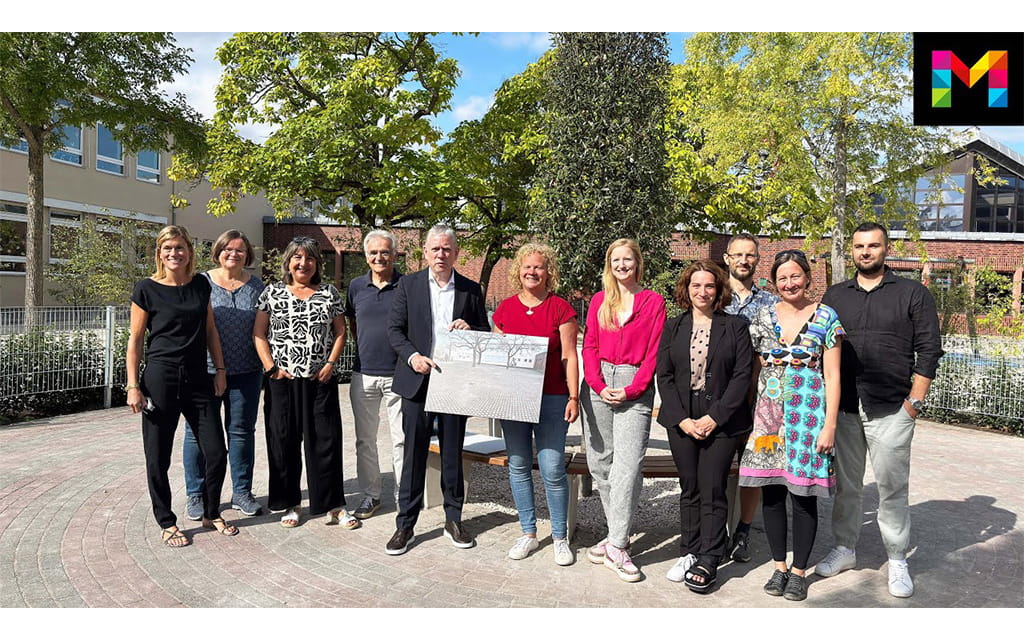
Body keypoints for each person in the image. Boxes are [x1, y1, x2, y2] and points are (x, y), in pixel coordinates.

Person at [816, 222, 943, 598]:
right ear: (851, 250)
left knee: (891, 488)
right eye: (859, 246)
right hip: (846, 409)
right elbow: (822, 348)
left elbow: (930, 351)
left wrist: (913, 403)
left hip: (892, 408)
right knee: (848, 486)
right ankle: (845, 548)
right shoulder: (835, 296)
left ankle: (898, 558)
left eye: (873, 245)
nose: (865, 252)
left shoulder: (913, 294)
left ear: (887, 249)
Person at [738, 249, 843, 601]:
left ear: (808, 278)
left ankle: (799, 572)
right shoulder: (762, 318)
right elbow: (753, 370)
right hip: (769, 419)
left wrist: (830, 425)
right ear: (774, 282)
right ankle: (779, 566)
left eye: (795, 276)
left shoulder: (826, 317)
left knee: (803, 495)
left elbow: (833, 374)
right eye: (782, 278)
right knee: (771, 492)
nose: (789, 283)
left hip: (809, 418)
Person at [126, 225, 236, 547]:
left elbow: (211, 330)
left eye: (180, 247)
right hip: (160, 379)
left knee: (216, 452)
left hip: (198, 378)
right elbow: (134, 341)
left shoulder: (201, 284)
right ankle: (166, 521)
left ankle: (210, 511)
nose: (174, 253)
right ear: (159, 253)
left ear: (189, 251)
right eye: (167, 248)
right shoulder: (146, 289)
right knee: (158, 457)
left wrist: (220, 369)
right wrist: (133, 386)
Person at [384, 225, 490, 555]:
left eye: (447, 249)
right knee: (413, 453)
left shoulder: (471, 290)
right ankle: (406, 524)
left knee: (452, 452)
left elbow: (485, 332)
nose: (441, 254)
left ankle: (453, 519)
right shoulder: (408, 285)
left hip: (453, 384)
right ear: (426, 253)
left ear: (456, 253)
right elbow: (394, 330)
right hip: (417, 379)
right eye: (435, 249)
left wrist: (470, 328)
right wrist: (412, 357)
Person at [656, 260, 753, 593]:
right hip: (681, 416)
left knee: (713, 486)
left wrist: (715, 417)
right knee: (690, 486)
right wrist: (682, 418)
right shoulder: (673, 326)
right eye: (696, 285)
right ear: (686, 289)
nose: (702, 291)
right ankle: (689, 550)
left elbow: (742, 376)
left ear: (719, 290)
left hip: (722, 418)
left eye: (709, 286)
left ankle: (710, 557)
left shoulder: (736, 326)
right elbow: (664, 376)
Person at [254, 237, 357, 529]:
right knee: (283, 442)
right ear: (288, 262)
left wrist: (330, 364)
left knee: (326, 442)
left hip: (319, 380)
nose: (303, 263)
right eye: (297, 258)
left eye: (310, 258)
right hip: (282, 382)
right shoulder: (271, 293)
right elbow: (259, 334)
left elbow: (340, 333)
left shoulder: (329, 293)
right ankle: (291, 503)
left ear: (317, 264)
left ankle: (333, 504)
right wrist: (271, 368)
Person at [580, 238, 667, 582]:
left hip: (635, 384)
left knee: (627, 467)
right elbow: (589, 345)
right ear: (609, 265)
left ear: (637, 263)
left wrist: (632, 388)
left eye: (627, 259)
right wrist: (598, 385)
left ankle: (616, 544)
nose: (621, 265)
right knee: (600, 462)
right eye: (615, 260)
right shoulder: (600, 301)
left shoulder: (652, 301)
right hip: (599, 381)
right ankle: (618, 534)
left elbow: (654, 352)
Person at [492, 243, 579, 566]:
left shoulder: (561, 309)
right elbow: (494, 357)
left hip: (553, 398)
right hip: (513, 398)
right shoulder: (505, 310)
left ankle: (559, 537)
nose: (532, 272)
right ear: (519, 270)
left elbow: (570, 357)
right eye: (527, 267)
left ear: (548, 272)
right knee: (517, 465)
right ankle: (528, 533)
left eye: (539, 267)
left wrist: (573, 396)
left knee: (553, 468)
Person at [182, 230, 266, 522]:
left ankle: (242, 492)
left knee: (242, 432)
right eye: (228, 249)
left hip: (246, 372)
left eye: (240, 250)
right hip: (203, 372)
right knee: (196, 434)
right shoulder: (200, 283)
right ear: (217, 252)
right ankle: (196, 494)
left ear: (247, 255)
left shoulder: (257, 287)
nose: (234, 254)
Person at [721, 232, 778, 563]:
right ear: (727, 257)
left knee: (754, 464)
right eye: (738, 254)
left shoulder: (770, 303)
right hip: (718, 397)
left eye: (750, 255)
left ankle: (743, 530)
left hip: (759, 400)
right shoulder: (713, 295)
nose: (744, 260)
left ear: (758, 260)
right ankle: (714, 529)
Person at [345, 229, 404, 519]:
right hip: (363, 374)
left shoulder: (408, 285)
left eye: (385, 252)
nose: (379, 257)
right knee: (364, 440)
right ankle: (371, 496)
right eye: (373, 252)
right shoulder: (356, 286)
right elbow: (354, 325)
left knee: (401, 439)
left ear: (394, 254)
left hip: (399, 375)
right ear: (366, 256)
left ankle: (403, 497)